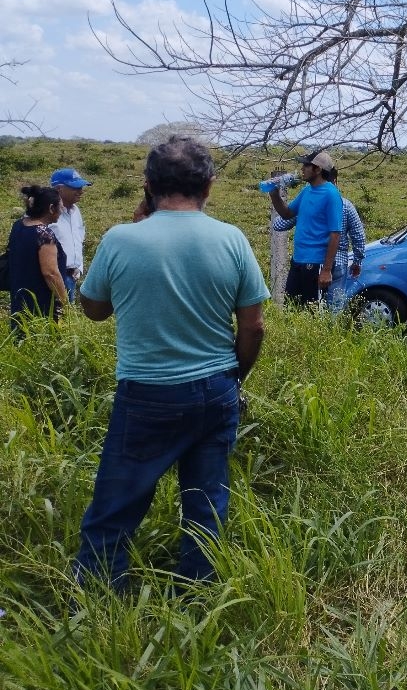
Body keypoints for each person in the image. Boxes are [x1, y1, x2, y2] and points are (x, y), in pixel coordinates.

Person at [74, 136, 269, 591]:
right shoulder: (232, 239)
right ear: (209, 185)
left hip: (147, 394)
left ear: (147, 184)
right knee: (205, 501)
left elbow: (94, 309)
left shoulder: (121, 239)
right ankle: (198, 596)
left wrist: (137, 231)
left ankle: (99, 597)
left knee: (117, 502)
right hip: (217, 388)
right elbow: (254, 326)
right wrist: (234, 376)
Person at [270, 170, 365, 308]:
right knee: (334, 307)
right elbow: (358, 237)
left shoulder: (312, 203)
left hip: (316, 262)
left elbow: (279, 224)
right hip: (339, 263)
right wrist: (357, 261)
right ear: (336, 181)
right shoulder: (347, 206)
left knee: (306, 306)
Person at [266, 150, 342, 305]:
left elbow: (335, 234)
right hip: (298, 260)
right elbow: (287, 214)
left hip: (316, 264)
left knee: (312, 312)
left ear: (318, 169)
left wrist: (327, 270)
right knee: (291, 308)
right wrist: (274, 194)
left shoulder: (331, 194)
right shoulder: (306, 191)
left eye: (306, 165)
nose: (302, 169)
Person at [7, 185, 69, 329]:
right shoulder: (44, 234)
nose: (62, 211)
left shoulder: (19, 226)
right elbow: (51, 273)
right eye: (60, 207)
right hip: (41, 301)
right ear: (51, 208)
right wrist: (64, 302)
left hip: (20, 296)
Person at [49, 167, 91, 302]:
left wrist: (78, 267)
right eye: (75, 187)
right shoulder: (46, 212)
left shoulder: (75, 211)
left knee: (66, 319)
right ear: (58, 189)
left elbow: (78, 239)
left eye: (81, 187)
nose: (80, 191)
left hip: (71, 276)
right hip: (53, 276)